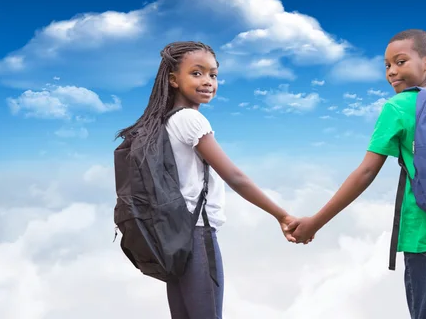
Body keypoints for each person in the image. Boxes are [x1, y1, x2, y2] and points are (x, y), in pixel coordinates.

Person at [288, 30, 426, 318]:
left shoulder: (397, 107)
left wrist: (315, 223)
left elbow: (366, 172)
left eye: (400, 62)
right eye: (387, 65)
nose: (392, 72)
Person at [116, 41, 300, 319]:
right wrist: (282, 215)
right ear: (173, 80)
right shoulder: (191, 120)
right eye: (197, 73)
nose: (208, 81)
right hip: (197, 233)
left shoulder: (164, 122)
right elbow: (235, 177)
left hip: (173, 236)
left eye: (213, 75)